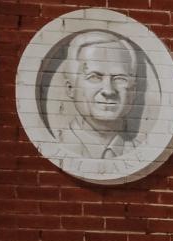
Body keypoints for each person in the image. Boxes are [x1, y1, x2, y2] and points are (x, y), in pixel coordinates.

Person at [51, 30, 142, 159]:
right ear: (70, 88)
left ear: (133, 91)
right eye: (94, 77)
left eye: (119, 78)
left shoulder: (138, 150)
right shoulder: (58, 143)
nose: (109, 91)